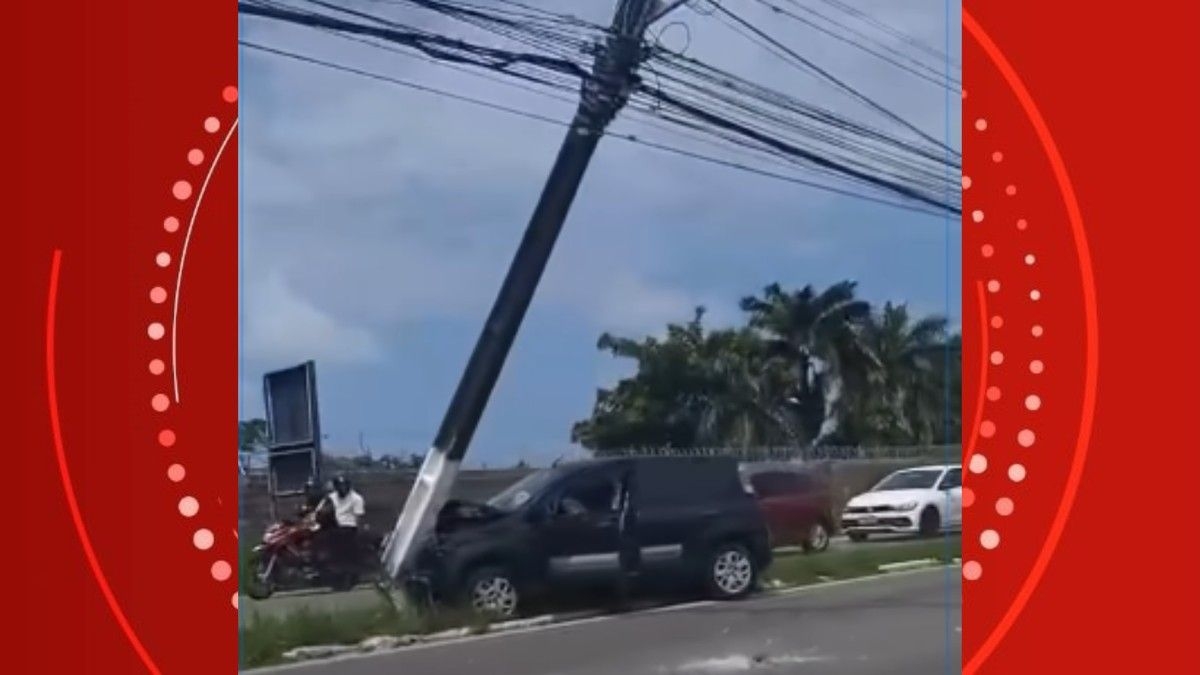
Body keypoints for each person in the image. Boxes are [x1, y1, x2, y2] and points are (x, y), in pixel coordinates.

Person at [326, 475, 366, 582]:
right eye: (339, 486)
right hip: (333, 525)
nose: (342, 488)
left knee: (343, 545)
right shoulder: (331, 497)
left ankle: (347, 572)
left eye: (344, 485)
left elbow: (359, 517)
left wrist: (359, 532)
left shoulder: (356, 498)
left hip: (349, 527)